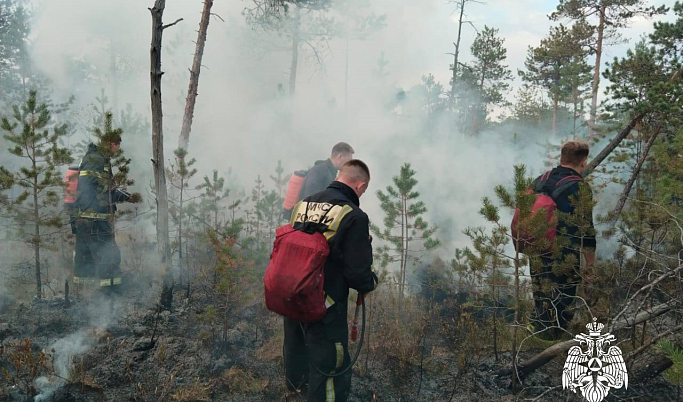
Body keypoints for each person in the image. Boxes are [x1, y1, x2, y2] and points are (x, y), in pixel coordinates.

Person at [284, 160, 378, 402]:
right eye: (364, 191)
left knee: (296, 347)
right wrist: (370, 283)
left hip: (292, 291)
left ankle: (296, 390)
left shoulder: (303, 204)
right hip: (324, 303)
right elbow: (357, 274)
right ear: (361, 185)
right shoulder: (354, 216)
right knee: (330, 363)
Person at [531, 140, 596, 339]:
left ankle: (539, 340)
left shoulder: (540, 180)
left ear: (561, 158)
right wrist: (590, 269)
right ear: (583, 162)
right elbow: (587, 231)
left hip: (537, 251)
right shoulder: (579, 187)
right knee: (563, 305)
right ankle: (556, 347)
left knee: (541, 299)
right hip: (565, 255)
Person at [73, 136, 138, 290]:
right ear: (110, 144)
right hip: (97, 220)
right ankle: (110, 293)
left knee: (85, 258)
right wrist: (125, 196)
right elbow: (102, 192)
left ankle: (85, 296)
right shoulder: (98, 160)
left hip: (83, 218)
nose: (117, 150)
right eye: (117, 146)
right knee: (109, 255)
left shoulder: (88, 158)